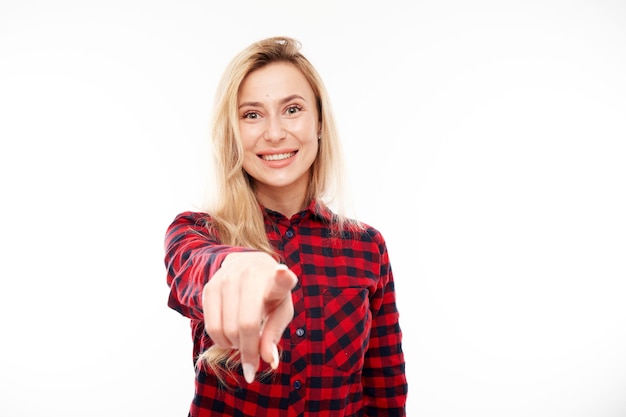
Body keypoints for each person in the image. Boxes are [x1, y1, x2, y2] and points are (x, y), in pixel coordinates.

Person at [164, 35, 407, 416]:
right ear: (232, 132)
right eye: (252, 114)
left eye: (292, 109)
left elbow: (384, 394)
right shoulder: (196, 233)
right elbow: (191, 267)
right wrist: (238, 265)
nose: (274, 133)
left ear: (320, 122)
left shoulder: (368, 246)